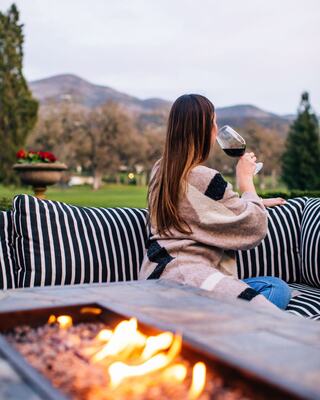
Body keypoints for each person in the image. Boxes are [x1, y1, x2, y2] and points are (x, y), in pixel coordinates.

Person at [139, 94, 292, 312]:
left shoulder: (161, 171)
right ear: (206, 131)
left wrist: (254, 202)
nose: (216, 129)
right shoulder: (205, 178)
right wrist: (246, 181)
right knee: (276, 293)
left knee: (274, 285)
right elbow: (255, 227)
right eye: (214, 122)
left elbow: (197, 208)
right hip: (190, 280)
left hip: (156, 276)